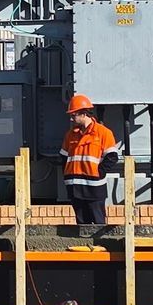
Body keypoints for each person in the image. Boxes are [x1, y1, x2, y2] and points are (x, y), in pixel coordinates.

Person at [59, 93, 122, 229]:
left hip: (94, 187)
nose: (71, 119)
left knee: (98, 222)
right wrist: (68, 176)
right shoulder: (70, 135)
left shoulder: (103, 133)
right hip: (75, 187)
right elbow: (63, 157)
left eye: (73, 115)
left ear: (84, 114)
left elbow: (112, 157)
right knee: (81, 225)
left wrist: (98, 173)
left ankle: (100, 243)